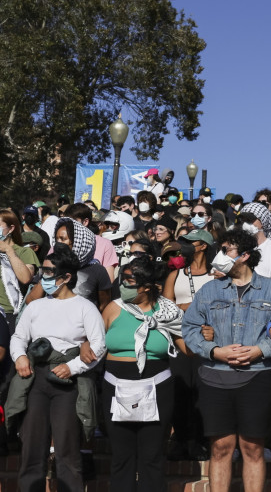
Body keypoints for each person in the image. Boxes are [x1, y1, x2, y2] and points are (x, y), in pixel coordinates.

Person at [182, 229, 271, 492]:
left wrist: (260, 350)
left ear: (245, 255)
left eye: (227, 250)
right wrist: (214, 351)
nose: (220, 255)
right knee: (221, 447)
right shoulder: (209, 290)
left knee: (253, 448)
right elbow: (189, 329)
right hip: (214, 375)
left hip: (256, 376)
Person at [8, 244, 106, 492]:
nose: (44, 276)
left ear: (66, 277)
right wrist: (19, 356)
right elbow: (19, 337)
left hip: (68, 384)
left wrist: (72, 368)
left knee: (67, 451)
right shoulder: (35, 306)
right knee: (32, 449)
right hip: (35, 379)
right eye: (43, 270)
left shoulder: (86, 307)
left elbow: (98, 347)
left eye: (50, 272)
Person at [101, 257, 187, 492]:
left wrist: (203, 332)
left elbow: (188, 348)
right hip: (115, 387)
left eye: (129, 281)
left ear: (146, 286)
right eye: (123, 280)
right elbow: (96, 343)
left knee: (152, 456)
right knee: (121, 456)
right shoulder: (113, 308)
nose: (123, 286)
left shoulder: (168, 311)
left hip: (157, 386)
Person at [163, 228, 215, 461]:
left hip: (207, 340)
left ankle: (200, 441)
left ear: (203, 246)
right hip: (179, 338)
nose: (183, 246)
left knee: (203, 392)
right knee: (180, 391)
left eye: (189, 242)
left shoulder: (216, 275)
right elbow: (165, 307)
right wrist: (183, 308)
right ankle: (182, 439)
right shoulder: (177, 274)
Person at [0, 209, 39, 332]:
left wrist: (9, 251)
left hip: (10, 313)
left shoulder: (25, 252)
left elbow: (25, 278)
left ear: (11, 228)